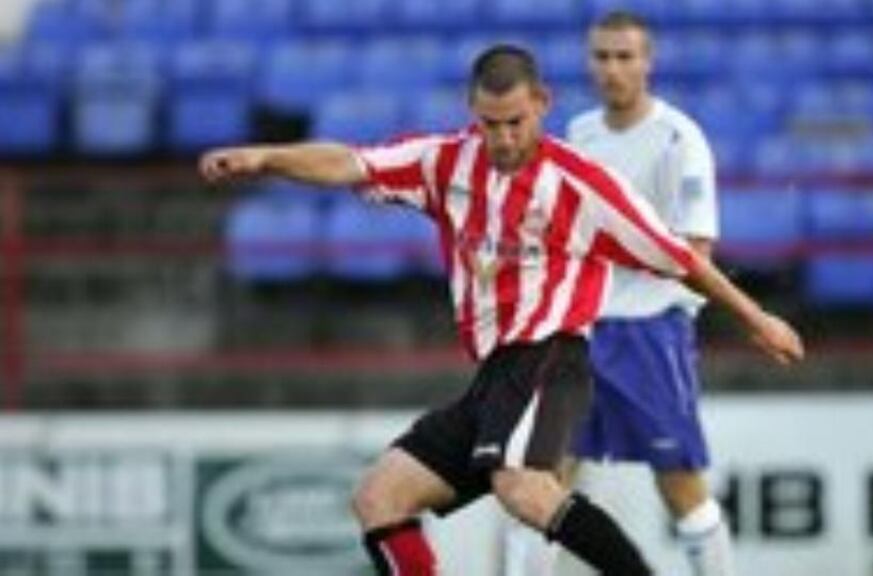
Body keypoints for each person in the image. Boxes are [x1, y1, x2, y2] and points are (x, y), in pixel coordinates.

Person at [200, 44, 803, 576]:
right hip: (492, 378)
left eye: (516, 122)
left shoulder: (581, 185)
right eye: (491, 124)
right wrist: (265, 158)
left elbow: (678, 258)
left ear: (541, 102)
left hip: (550, 357)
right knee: (379, 499)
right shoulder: (444, 163)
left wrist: (757, 318)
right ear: (472, 111)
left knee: (523, 488)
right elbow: (351, 162)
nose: (505, 138)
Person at [574, 11, 735, 575]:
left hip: (651, 330)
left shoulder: (680, 140)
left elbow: (696, 252)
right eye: (602, 56)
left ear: (648, 62)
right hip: (580, 330)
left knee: (680, 484)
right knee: (541, 478)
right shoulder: (580, 135)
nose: (612, 69)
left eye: (625, 56)